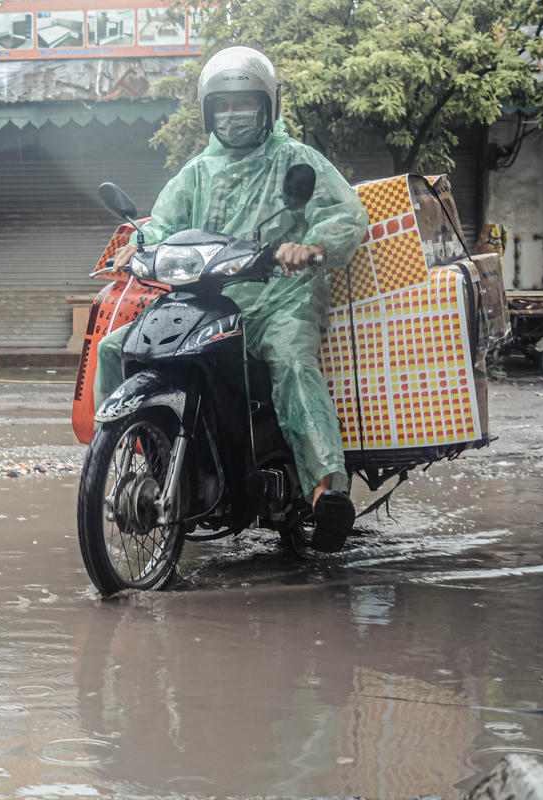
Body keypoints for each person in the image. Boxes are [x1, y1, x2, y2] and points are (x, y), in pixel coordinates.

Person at [94, 45, 369, 552]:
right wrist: (138, 243)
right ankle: (134, 453)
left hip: (281, 297)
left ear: (268, 106)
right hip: (209, 298)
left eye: (245, 104)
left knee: (291, 363)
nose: (234, 115)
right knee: (117, 348)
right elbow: (164, 223)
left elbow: (347, 215)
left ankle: (327, 491)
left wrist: (309, 246)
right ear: (208, 112)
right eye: (223, 105)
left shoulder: (297, 160)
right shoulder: (197, 172)